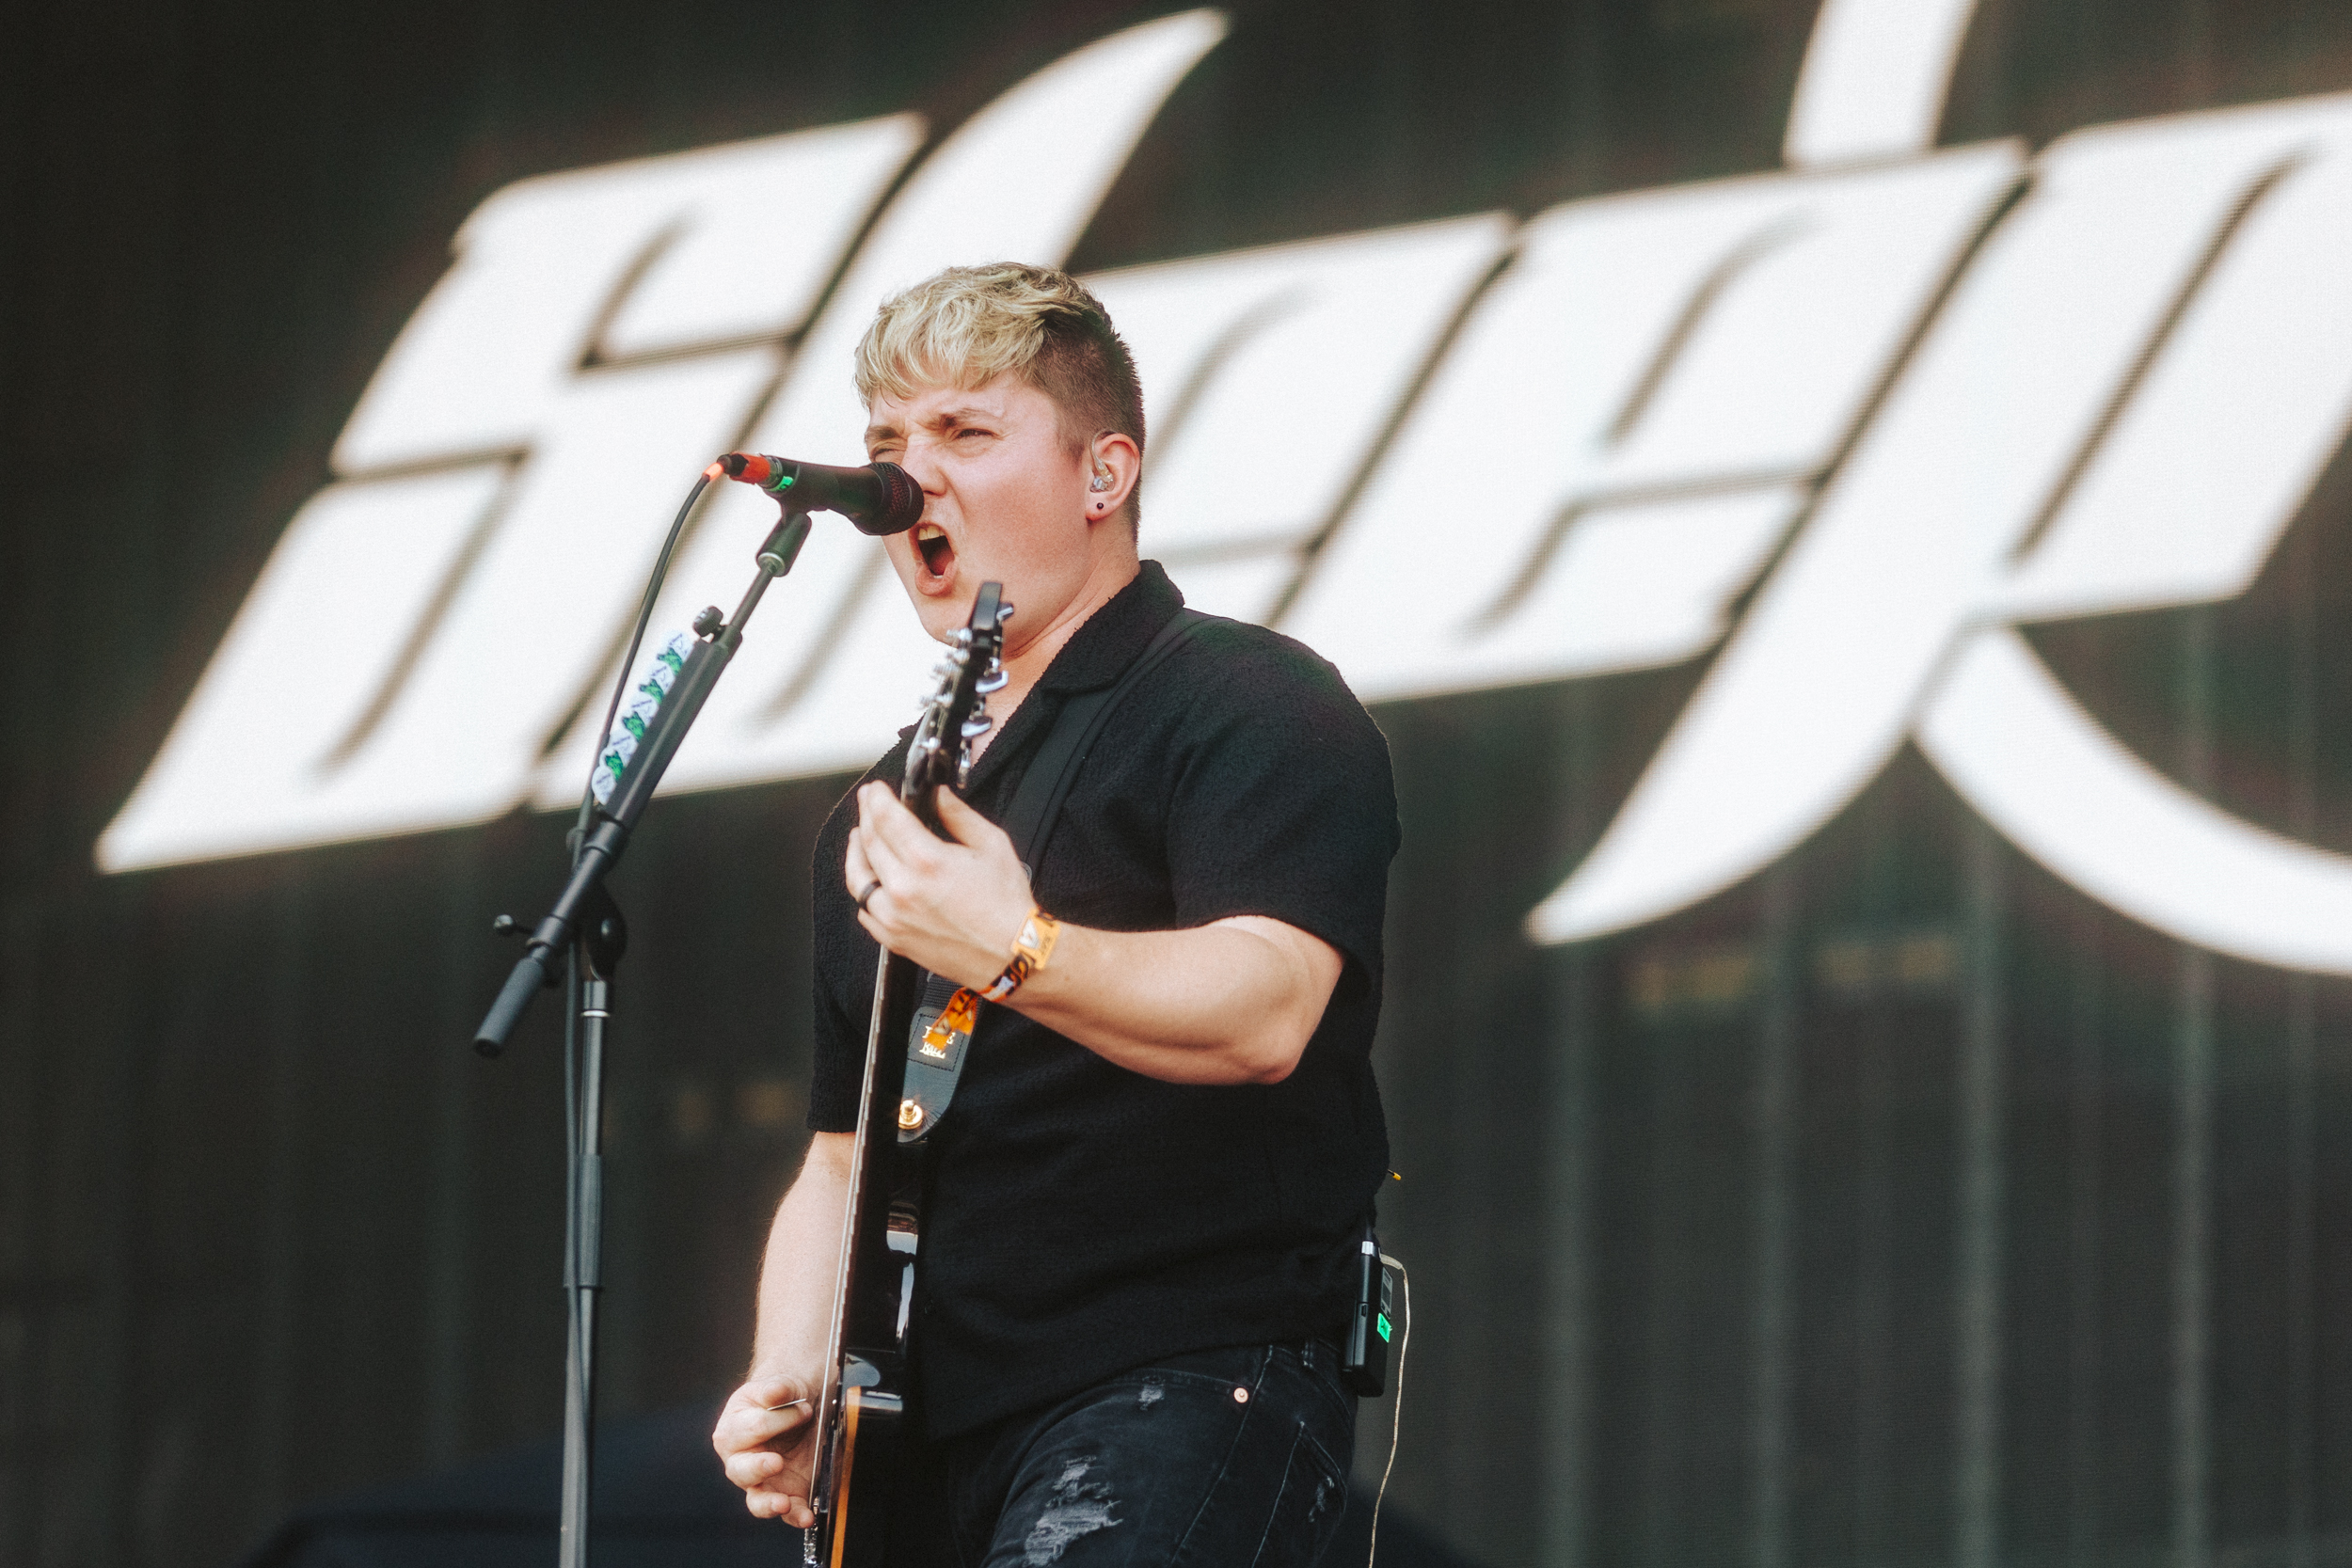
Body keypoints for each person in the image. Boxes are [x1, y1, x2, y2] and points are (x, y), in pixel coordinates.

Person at [709, 261, 1398, 1567]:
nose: (910, 478)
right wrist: (794, 1375)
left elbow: (1266, 1008)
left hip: (1178, 1379)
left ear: (1104, 474)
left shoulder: (1248, 701)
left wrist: (1017, 949)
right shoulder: (882, 813)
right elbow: (843, 1155)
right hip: (921, 1436)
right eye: (886, 446)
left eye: (966, 432)